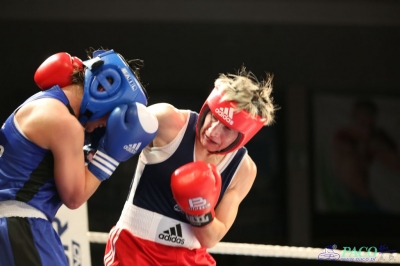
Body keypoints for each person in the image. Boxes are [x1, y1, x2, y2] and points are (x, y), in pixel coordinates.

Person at [104, 67, 278, 265]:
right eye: (214, 117)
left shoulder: (243, 170)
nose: (212, 131)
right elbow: (115, 129)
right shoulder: (168, 122)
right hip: (135, 249)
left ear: (242, 137)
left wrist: (199, 210)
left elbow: (210, 239)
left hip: (191, 258)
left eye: (226, 128)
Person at [0, 48, 158, 266]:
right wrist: (109, 156)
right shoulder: (65, 124)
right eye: (109, 116)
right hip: (21, 228)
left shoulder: (42, 103)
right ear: (104, 92)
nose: (105, 124)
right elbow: (74, 197)